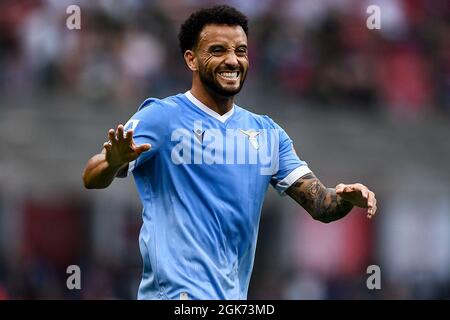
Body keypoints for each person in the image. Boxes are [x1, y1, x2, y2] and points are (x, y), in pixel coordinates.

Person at [82, 5, 377, 300]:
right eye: (218, 50)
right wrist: (112, 161)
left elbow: (321, 205)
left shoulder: (267, 133)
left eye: (241, 50)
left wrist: (345, 199)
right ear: (191, 59)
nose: (232, 60)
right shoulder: (161, 117)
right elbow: (92, 177)